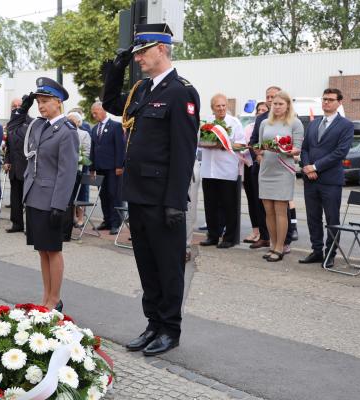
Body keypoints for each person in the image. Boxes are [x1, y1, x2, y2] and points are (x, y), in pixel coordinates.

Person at [103, 23, 200, 356]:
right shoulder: (142, 90)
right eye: (136, 54)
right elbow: (113, 105)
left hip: (162, 199)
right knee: (147, 264)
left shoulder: (181, 91)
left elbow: (183, 151)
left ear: (162, 49)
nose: (138, 59)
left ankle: (169, 330)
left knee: (168, 265)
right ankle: (153, 324)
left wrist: (176, 201)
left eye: (143, 52)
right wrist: (114, 72)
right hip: (138, 193)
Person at [20, 77, 79, 311]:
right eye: (39, 102)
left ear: (58, 102)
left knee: (53, 250)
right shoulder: (40, 126)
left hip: (51, 201)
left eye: (45, 101)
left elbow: (67, 172)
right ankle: (46, 297)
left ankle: (55, 299)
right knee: (42, 250)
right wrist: (20, 111)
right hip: (35, 196)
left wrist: (59, 205)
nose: (41, 106)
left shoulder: (67, 131)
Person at [299, 88, 354, 268]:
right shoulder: (314, 124)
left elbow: (340, 153)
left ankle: (330, 253)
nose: (326, 103)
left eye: (330, 100)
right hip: (311, 180)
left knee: (332, 219)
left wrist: (315, 167)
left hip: (330, 180)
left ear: (339, 102)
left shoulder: (345, 125)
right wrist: (307, 168)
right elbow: (305, 148)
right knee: (312, 217)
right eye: (324, 99)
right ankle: (316, 250)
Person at [255, 91, 303, 262]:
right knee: (268, 211)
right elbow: (260, 145)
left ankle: (280, 247)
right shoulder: (265, 123)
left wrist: (286, 149)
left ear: (287, 105)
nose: (276, 107)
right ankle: (272, 244)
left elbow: (298, 148)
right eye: (274, 104)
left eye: (280, 104)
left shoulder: (295, 123)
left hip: (284, 170)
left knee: (280, 210)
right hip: (267, 170)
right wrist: (258, 151)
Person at [199, 93, 246, 248]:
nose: (221, 108)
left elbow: (241, 144)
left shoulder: (235, 122)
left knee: (228, 205)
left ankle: (229, 238)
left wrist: (224, 145)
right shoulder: (207, 123)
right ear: (212, 107)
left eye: (223, 105)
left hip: (227, 170)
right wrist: (208, 143)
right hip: (208, 169)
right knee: (210, 204)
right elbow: (198, 141)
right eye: (218, 106)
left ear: (227, 106)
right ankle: (212, 235)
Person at [248, 86, 281, 249]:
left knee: (279, 207)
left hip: (278, 168)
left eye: (273, 96)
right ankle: (264, 236)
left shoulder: (287, 118)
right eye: (267, 97)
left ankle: (282, 242)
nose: (269, 99)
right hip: (260, 167)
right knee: (259, 204)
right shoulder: (261, 118)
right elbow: (253, 140)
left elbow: (287, 143)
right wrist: (258, 155)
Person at [90, 102, 125, 235]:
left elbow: (120, 147)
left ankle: (116, 223)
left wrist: (119, 166)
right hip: (99, 167)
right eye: (92, 113)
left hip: (112, 168)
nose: (94, 115)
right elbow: (93, 149)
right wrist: (92, 167)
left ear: (103, 110)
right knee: (103, 195)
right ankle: (107, 221)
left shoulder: (116, 126)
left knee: (114, 195)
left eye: (96, 112)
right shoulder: (94, 129)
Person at [3, 98, 31, 233]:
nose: (16, 108)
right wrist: (6, 161)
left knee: (29, 199)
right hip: (13, 167)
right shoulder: (10, 124)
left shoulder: (32, 123)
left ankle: (31, 225)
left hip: (27, 167)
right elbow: (8, 146)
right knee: (15, 198)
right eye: (14, 106)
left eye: (19, 105)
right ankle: (17, 223)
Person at [242, 101, 268, 243]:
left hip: (264, 167)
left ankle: (266, 234)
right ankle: (256, 231)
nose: (261, 112)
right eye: (259, 110)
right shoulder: (249, 127)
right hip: (249, 165)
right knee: (252, 201)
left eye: (264, 110)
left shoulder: (270, 126)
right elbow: (248, 144)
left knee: (263, 202)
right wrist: (255, 155)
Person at [67, 111, 91, 228]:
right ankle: (71, 218)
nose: (70, 122)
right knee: (69, 195)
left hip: (80, 169)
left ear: (78, 122)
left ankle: (81, 218)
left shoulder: (84, 134)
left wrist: (77, 158)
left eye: (72, 120)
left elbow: (86, 153)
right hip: (67, 170)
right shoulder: (64, 133)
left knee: (81, 194)